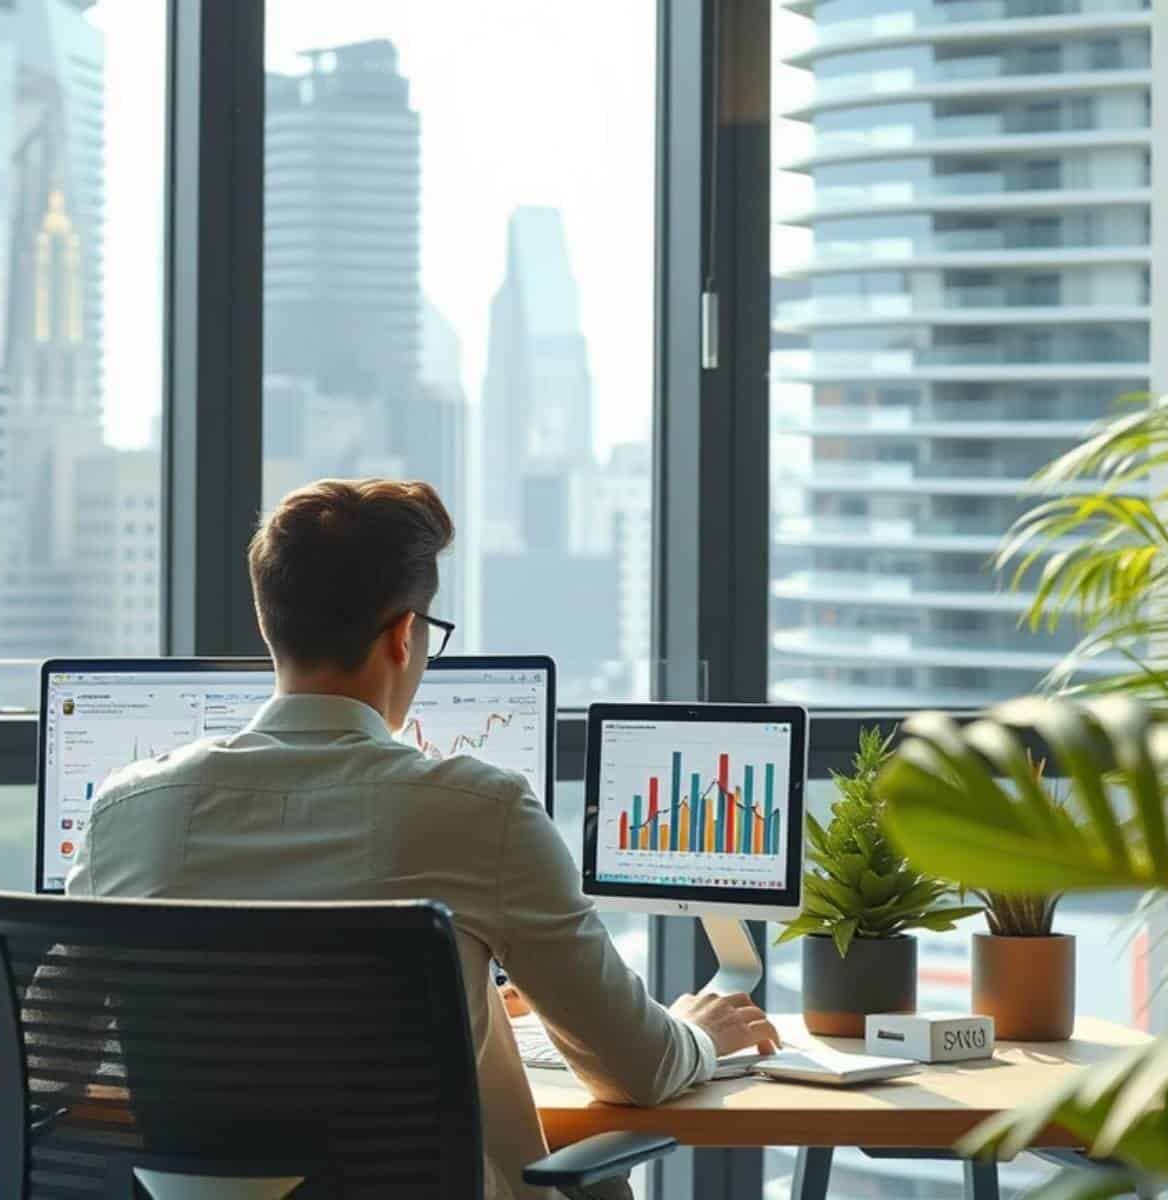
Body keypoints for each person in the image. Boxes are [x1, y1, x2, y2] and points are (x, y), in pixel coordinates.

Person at [61, 479, 780, 1200]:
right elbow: (636, 1069)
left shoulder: (126, 809)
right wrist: (700, 1033)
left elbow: (53, 1052)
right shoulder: (480, 809)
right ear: (404, 635)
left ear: (266, 622)